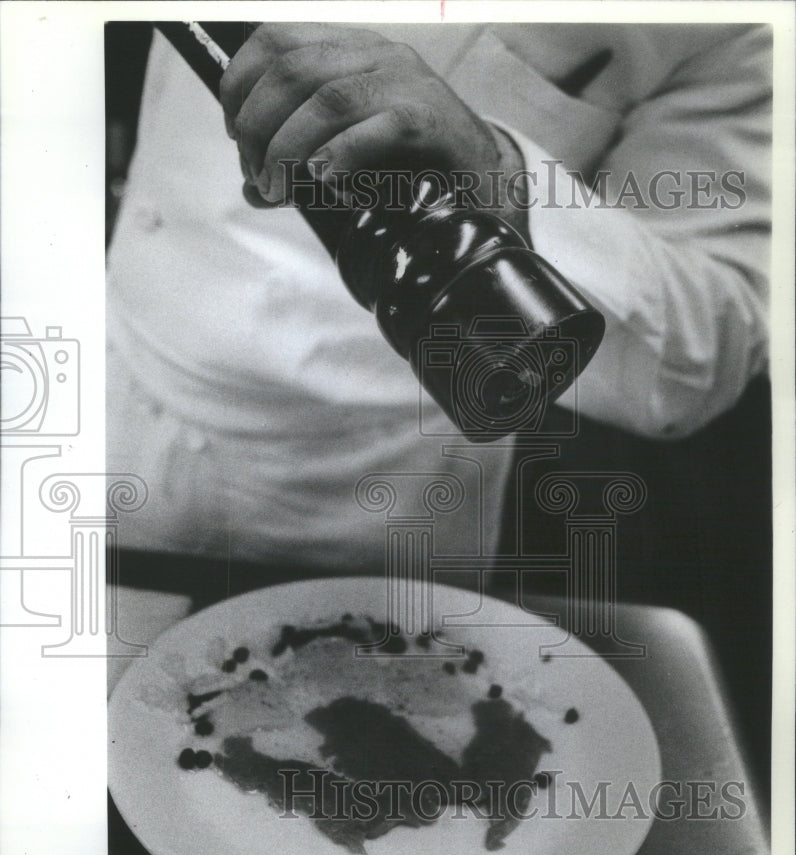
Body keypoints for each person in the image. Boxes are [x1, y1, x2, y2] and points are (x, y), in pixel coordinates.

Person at [107, 21, 771, 575]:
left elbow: (713, 347)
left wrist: (500, 172)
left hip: (370, 481)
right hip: (114, 373)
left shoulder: (733, 28)